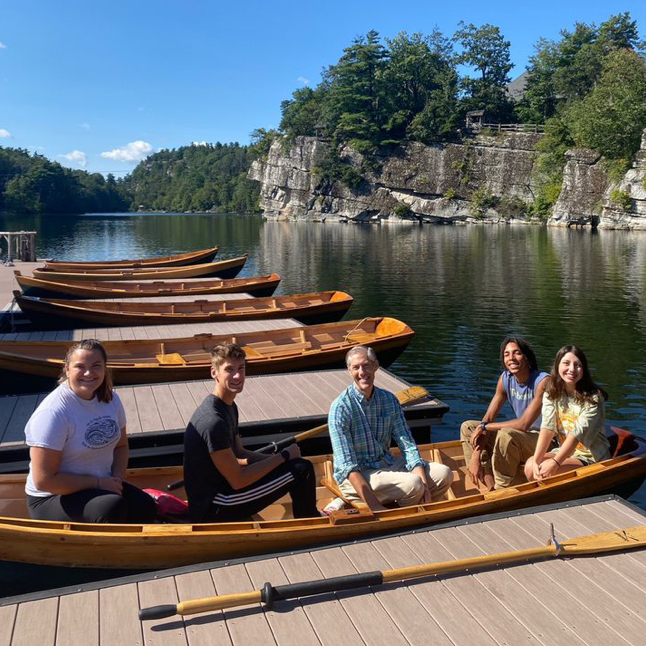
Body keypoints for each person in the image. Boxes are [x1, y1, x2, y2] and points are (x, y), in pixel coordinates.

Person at [183, 342, 319, 522]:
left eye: (242, 368)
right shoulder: (213, 421)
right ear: (214, 372)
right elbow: (238, 480)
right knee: (303, 470)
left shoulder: (229, 407)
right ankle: (310, 525)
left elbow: (239, 453)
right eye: (229, 369)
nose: (238, 375)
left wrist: (282, 460)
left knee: (297, 463)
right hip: (215, 506)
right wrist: (284, 457)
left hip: (223, 491)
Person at [25, 339, 157, 524]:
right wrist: (99, 483)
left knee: (146, 507)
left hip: (99, 485)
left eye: (96, 366)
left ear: (105, 368)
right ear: (67, 369)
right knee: (111, 507)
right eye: (80, 366)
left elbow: (121, 446)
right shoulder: (53, 413)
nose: (88, 373)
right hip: (51, 497)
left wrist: (117, 478)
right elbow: (44, 481)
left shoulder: (110, 399)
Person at [327, 345, 453, 512]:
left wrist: (425, 485)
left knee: (444, 474)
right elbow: (347, 467)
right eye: (356, 367)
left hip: (386, 463)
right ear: (349, 371)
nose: (362, 372)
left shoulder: (389, 400)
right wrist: (376, 507)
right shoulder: (340, 408)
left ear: (375, 366)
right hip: (356, 474)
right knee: (413, 484)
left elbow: (407, 445)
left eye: (366, 365)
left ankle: (413, 508)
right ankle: (397, 513)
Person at [460, 337, 549, 490]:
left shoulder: (543, 382)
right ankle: (489, 486)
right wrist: (476, 454)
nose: (511, 358)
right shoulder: (505, 379)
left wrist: (485, 427)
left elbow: (524, 423)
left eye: (517, 353)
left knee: (506, 434)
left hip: (543, 439)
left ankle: (504, 488)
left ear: (527, 357)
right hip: (522, 436)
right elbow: (488, 418)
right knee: (468, 427)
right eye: (507, 354)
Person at [525, 345, 610, 481]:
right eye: (566, 363)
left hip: (590, 457)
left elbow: (577, 434)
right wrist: (536, 459)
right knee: (530, 466)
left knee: (546, 471)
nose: (572, 369)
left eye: (578, 365)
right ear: (558, 365)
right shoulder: (551, 393)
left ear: (584, 370)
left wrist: (555, 463)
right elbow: (547, 427)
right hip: (564, 452)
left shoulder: (594, 398)